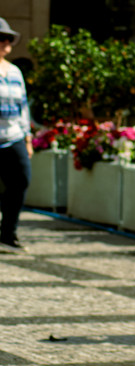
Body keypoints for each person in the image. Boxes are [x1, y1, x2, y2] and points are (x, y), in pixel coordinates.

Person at [0, 18, 32, 253]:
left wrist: (28, 138)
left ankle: (8, 232)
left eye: (8, 39)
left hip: (14, 136)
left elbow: (23, 107)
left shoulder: (15, 72)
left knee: (21, 181)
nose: (6, 43)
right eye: (1, 38)